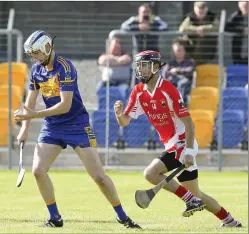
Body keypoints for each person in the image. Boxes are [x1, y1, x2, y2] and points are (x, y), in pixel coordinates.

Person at [14, 30, 141, 229]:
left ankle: (123, 217)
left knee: (98, 176)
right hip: (52, 126)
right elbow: (28, 104)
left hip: (77, 125)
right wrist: (24, 128)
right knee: (38, 171)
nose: (33, 58)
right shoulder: (36, 70)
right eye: (30, 54)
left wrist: (32, 115)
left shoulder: (65, 67)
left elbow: (65, 105)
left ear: (47, 48)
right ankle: (55, 218)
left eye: (35, 53)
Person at [113, 50, 242, 228]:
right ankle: (230, 221)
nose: (140, 70)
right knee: (198, 194)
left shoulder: (168, 90)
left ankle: (189, 200)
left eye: (144, 65)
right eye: (138, 66)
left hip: (182, 142)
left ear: (155, 67)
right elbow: (125, 121)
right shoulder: (138, 92)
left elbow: (189, 123)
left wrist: (189, 151)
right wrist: (119, 115)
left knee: (150, 173)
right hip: (172, 145)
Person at [162, 40, 195, 105]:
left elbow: (189, 71)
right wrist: (172, 73)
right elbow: (165, 73)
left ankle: (179, 104)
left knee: (181, 83)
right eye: (177, 50)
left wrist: (177, 70)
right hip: (173, 80)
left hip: (185, 81)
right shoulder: (170, 62)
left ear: (184, 51)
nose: (179, 52)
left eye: (180, 50)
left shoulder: (189, 61)